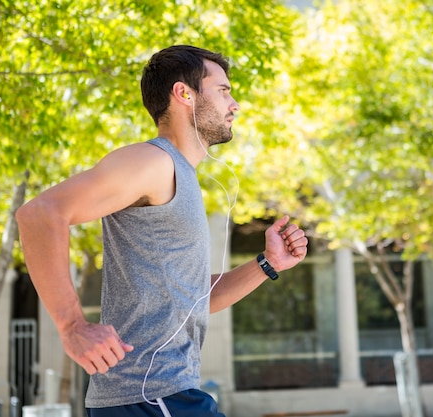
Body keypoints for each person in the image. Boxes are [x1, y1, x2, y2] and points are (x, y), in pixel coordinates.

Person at [16, 45, 308, 417]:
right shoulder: (153, 161)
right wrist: (71, 325)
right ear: (184, 93)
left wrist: (267, 264)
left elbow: (193, 298)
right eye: (223, 90)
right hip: (150, 396)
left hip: (162, 395)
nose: (234, 104)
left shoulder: (180, 177)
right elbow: (39, 214)